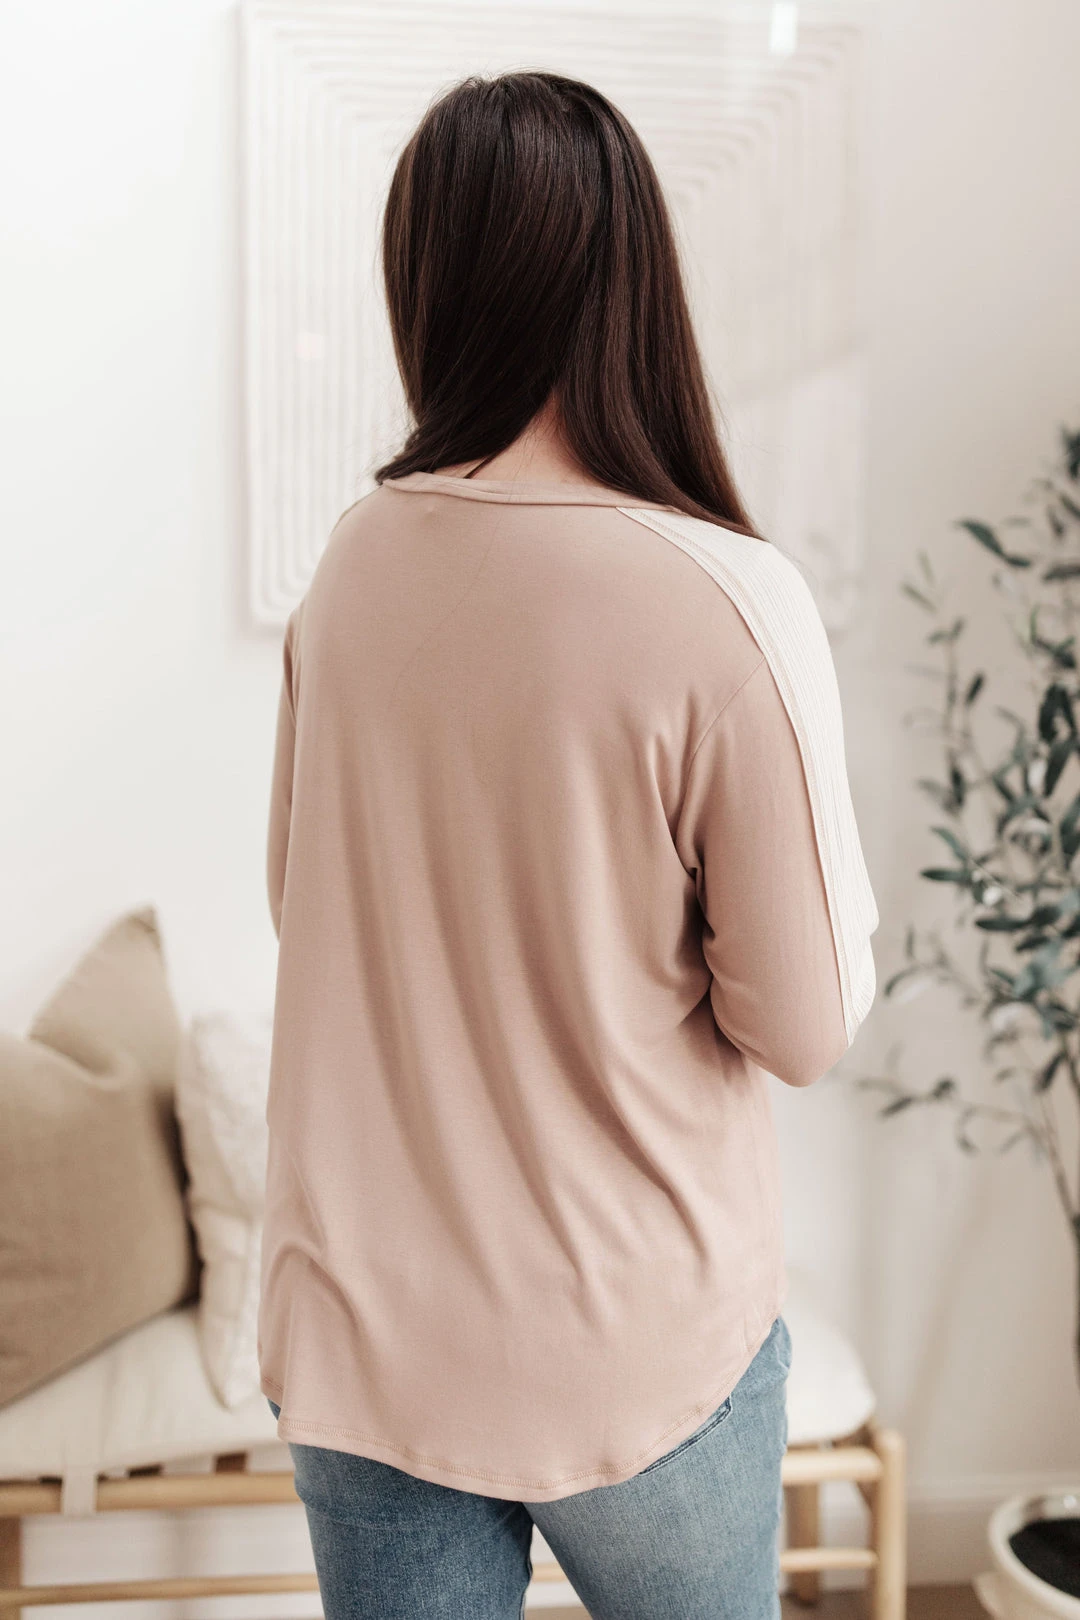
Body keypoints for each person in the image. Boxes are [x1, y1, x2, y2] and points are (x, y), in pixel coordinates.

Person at [257, 68, 877, 1620]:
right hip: (632, 1343)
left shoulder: (351, 567)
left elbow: (299, 908)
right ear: (632, 279)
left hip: (367, 1337)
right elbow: (803, 1030)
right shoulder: (725, 599)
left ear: (426, 287)